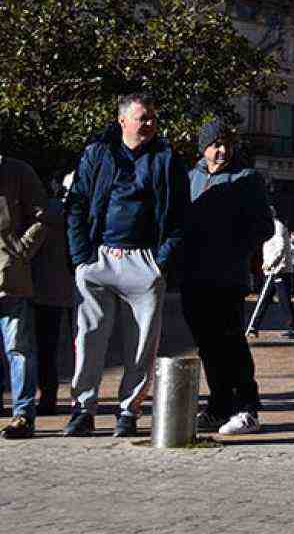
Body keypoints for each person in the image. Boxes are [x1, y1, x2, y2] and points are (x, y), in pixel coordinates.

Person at [65, 92, 189, 438]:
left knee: (141, 344)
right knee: (89, 338)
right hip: (99, 257)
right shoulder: (97, 154)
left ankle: (128, 411)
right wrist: (81, 258)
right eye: (141, 118)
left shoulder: (166, 159)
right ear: (123, 121)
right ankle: (83, 409)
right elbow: (76, 204)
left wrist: (160, 262)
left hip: (144, 260)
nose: (148, 123)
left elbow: (179, 216)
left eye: (151, 117)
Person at [180, 120, 274, 435]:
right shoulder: (189, 179)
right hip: (193, 276)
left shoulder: (247, 180)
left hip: (228, 276)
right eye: (215, 143)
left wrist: (232, 243)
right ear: (202, 147)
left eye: (226, 143)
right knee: (206, 345)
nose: (221, 150)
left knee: (231, 343)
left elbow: (264, 227)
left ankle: (248, 407)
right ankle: (219, 406)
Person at [0, 152, 48, 439]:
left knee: (18, 349)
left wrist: (20, 252)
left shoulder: (18, 172)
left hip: (10, 278)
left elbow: (42, 217)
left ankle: (23, 414)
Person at [31, 175, 73, 417]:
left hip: (46, 288)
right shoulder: (77, 210)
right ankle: (81, 398)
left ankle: (49, 397)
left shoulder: (45, 212)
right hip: (73, 285)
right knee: (82, 346)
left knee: (46, 347)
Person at [248, 214, 294, 338]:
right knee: (269, 299)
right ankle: (255, 327)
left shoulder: (277, 226)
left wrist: (270, 263)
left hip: (277, 270)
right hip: (275, 269)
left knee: (272, 300)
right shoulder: (270, 227)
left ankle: (253, 327)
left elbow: (280, 248)